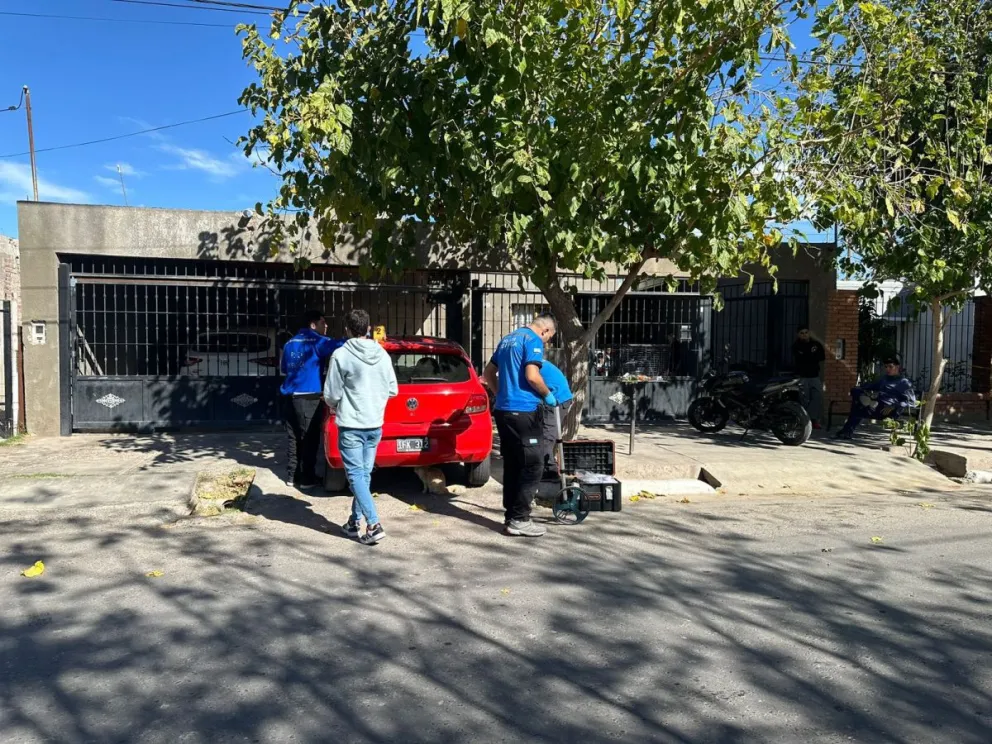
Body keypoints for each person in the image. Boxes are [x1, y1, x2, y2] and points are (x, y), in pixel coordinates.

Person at [323, 308, 398, 545]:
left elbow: (331, 393)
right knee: (363, 476)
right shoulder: (383, 355)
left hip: (351, 423)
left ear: (347, 330)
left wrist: (338, 404)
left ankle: (373, 524)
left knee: (356, 475)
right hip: (374, 423)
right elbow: (393, 389)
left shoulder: (341, 355)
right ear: (368, 329)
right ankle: (353, 523)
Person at [484, 314, 558, 537]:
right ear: (545, 330)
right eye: (549, 338)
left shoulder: (507, 339)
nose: (547, 343)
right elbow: (532, 376)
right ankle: (520, 519)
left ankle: (511, 517)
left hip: (504, 410)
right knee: (533, 464)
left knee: (514, 464)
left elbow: (488, 373)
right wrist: (547, 395)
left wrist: (501, 394)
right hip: (524, 411)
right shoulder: (532, 340)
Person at [280, 310, 340, 490]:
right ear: (313, 325)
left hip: (289, 397)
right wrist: (362, 338)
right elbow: (340, 345)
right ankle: (307, 479)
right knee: (309, 439)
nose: (326, 326)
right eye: (323, 322)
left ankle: (292, 475)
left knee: (294, 437)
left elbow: (284, 368)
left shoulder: (290, 343)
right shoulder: (316, 341)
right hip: (308, 398)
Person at [834, 356, 917, 440]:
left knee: (858, 408)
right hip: (877, 406)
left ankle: (846, 431)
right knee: (856, 394)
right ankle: (869, 401)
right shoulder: (884, 379)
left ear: (897, 367)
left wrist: (895, 406)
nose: (888, 369)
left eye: (890, 367)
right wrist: (859, 388)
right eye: (886, 367)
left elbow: (911, 402)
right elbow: (871, 385)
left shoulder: (904, 382)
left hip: (889, 410)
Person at [538, 360, 574, 479]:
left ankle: (550, 471)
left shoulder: (530, 364)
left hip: (557, 399)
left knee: (547, 436)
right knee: (544, 434)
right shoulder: (535, 360)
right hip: (557, 397)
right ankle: (547, 466)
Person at [792, 327, 826, 430]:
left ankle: (813, 419)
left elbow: (821, 357)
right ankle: (804, 421)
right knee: (804, 398)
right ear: (798, 334)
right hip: (802, 376)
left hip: (814, 375)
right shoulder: (796, 346)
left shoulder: (816, 344)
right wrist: (811, 354)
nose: (804, 335)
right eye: (802, 333)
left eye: (806, 333)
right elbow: (802, 358)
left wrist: (810, 355)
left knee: (817, 397)